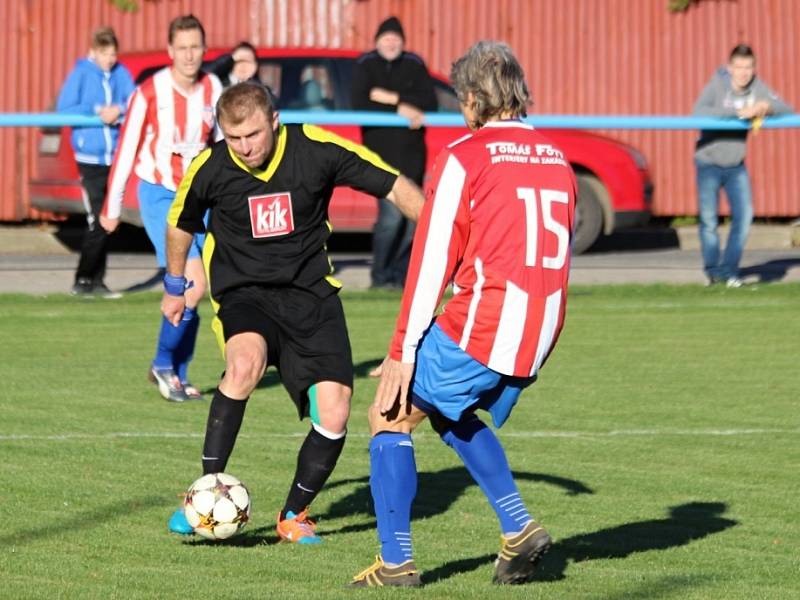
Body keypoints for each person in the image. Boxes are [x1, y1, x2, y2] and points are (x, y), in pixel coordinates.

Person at [350, 41, 576, 587]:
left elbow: (431, 261)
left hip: (487, 321)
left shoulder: (464, 155)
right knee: (451, 412)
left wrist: (403, 349)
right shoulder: (556, 157)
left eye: (461, 100)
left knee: (389, 412)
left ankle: (396, 562)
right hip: (540, 326)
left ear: (473, 99)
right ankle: (519, 530)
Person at [160, 82, 425, 543]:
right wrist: (174, 285)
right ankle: (202, 495)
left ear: (275, 121)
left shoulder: (314, 149)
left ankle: (293, 515)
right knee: (244, 365)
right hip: (244, 294)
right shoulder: (212, 166)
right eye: (233, 138)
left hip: (311, 296)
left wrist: (446, 240)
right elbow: (180, 223)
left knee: (337, 412)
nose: (244, 148)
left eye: (253, 135)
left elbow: (393, 184)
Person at [100, 14, 223, 402]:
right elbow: (127, 149)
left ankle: (175, 372)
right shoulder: (149, 92)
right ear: (170, 51)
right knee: (190, 283)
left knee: (195, 289)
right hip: (159, 195)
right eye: (182, 48)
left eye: (195, 47)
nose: (189, 55)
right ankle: (164, 364)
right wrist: (113, 205)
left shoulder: (213, 87)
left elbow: (220, 146)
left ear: (204, 49)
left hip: (197, 198)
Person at [693, 44, 792, 288]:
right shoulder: (718, 83)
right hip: (708, 161)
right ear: (730, 68)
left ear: (753, 68)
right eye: (739, 67)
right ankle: (714, 272)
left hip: (736, 164)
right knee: (709, 221)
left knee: (745, 216)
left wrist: (764, 107)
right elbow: (698, 112)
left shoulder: (757, 87)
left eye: (748, 67)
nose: (744, 72)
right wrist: (738, 112)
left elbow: (787, 109)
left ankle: (729, 270)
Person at [351, 16, 437, 289]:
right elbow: (359, 102)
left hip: (412, 156)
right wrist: (399, 107)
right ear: (377, 41)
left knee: (413, 222)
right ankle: (379, 277)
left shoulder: (414, 63)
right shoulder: (366, 64)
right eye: (386, 38)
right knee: (391, 218)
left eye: (396, 38)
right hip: (380, 157)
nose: (391, 43)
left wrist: (390, 98)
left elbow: (429, 101)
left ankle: (399, 277)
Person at [56, 26, 135, 298]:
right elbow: (65, 108)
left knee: (108, 218)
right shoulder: (81, 73)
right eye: (104, 53)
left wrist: (120, 109)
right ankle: (83, 279)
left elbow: (133, 99)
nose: (109, 59)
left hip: (113, 157)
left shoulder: (121, 73)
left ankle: (97, 282)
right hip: (89, 158)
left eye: (113, 53)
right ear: (94, 52)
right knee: (97, 221)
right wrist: (96, 111)